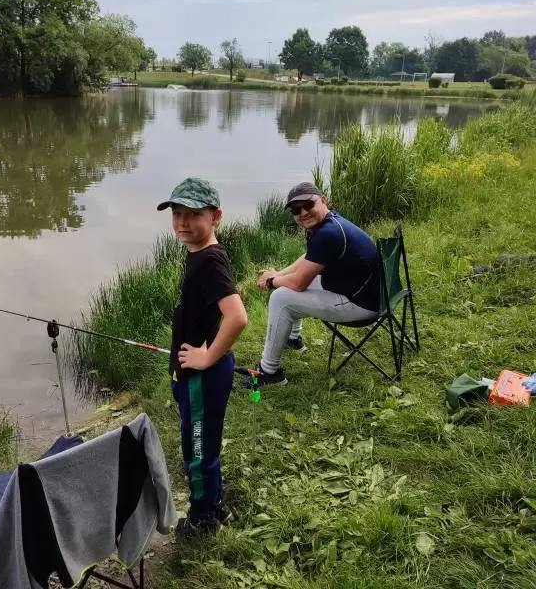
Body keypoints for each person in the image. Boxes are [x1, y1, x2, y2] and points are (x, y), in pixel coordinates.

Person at [157, 177, 248, 534]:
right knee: (205, 443)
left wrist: (207, 358)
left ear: (216, 216)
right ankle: (214, 505)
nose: (182, 222)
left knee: (197, 451)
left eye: (193, 214)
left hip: (202, 377)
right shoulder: (201, 252)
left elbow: (237, 317)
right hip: (195, 375)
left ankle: (203, 519)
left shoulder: (208, 260)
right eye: (177, 214)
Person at [249, 181, 380, 386]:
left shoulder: (328, 233)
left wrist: (272, 281)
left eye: (308, 205)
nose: (303, 213)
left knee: (281, 298)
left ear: (323, 201)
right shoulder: (331, 222)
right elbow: (308, 258)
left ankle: (268, 372)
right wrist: (278, 273)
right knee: (294, 284)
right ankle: (293, 339)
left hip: (361, 305)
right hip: (364, 292)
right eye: (296, 210)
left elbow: (299, 283)